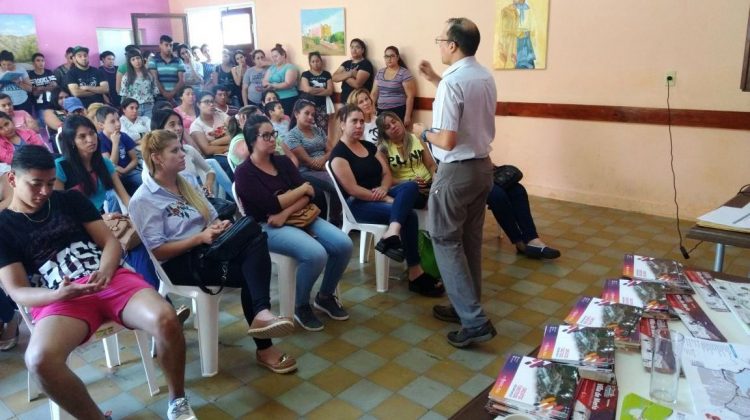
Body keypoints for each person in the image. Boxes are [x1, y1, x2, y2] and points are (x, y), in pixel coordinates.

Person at [0, 145, 196, 419]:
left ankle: (178, 400)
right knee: (39, 360)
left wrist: (105, 271)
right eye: (35, 184)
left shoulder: (69, 200)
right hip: (61, 298)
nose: (45, 192)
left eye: (48, 183)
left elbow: (110, 243)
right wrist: (59, 295)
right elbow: (17, 290)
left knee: (166, 318)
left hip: (110, 278)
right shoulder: (4, 226)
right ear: (12, 179)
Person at [129, 129, 298, 374]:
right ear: (156, 157)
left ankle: (262, 316)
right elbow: (159, 251)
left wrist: (217, 226)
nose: (182, 153)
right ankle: (264, 338)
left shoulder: (185, 184)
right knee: (253, 266)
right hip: (180, 263)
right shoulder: (144, 199)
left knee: (254, 235)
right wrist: (199, 237)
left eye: (181, 147)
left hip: (208, 249)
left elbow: (212, 215)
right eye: (174, 150)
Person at [416, 17, 497, 348]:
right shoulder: (483, 76)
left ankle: (474, 320)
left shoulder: (453, 82)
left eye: (440, 40)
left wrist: (423, 132)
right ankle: (465, 306)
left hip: (456, 173)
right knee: (469, 241)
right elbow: (465, 109)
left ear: (452, 45)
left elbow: (447, 139)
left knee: (445, 241)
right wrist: (436, 79)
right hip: (481, 169)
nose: (438, 46)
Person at [236, 115, 352, 331]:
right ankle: (300, 304)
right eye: (266, 135)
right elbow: (272, 204)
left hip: (298, 215)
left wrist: (286, 210)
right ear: (252, 140)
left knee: (343, 244)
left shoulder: (281, 162)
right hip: (265, 227)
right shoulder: (244, 173)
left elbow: (310, 195)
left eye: (274, 134)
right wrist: (300, 191)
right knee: (316, 253)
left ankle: (325, 296)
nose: (273, 139)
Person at [329, 105, 444, 297]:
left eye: (361, 121)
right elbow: (353, 189)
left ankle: (392, 232)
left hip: (381, 194)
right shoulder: (339, 155)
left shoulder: (368, 146)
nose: (359, 126)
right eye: (353, 121)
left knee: (410, 186)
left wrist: (384, 188)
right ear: (342, 124)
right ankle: (415, 273)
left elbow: (386, 174)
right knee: (408, 215)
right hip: (359, 205)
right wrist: (386, 199)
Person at [284, 99, 339, 221]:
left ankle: (343, 215)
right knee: (337, 183)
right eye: (307, 113)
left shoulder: (318, 130)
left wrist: (325, 161)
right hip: (307, 172)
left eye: (313, 114)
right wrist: (329, 167)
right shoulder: (292, 136)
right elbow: (309, 162)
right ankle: (334, 219)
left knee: (346, 177)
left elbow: (331, 150)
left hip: (326, 166)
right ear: (297, 114)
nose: (310, 117)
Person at [375, 111, 436, 209]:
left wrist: (435, 183)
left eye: (394, 122)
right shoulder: (382, 149)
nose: (393, 126)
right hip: (406, 188)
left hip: (429, 183)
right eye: (387, 127)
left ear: (399, 121)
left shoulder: (416, 138)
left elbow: (431, 165)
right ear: (384, 133)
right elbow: (386, 178)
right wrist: (409, 181)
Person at [151, 109, 219, 195]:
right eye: (172, 125)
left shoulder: (188, 150)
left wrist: (208, 184)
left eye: (179, 124)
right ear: (159, 130)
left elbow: (209, 170)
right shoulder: (155, 159)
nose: (179, 128)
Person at [487, 183, 561, 259]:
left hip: (488, 177)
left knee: (517, 190)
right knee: (497, 195)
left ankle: (532, 239)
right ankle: (519, 243)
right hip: (476, 181)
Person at [95, 106, 142, 195]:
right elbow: (110, 164)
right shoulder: (99, 140)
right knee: (113, 196)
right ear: (101, 125)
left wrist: (125, 170)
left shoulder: (123, 136)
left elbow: (134, 160)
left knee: (144, 182)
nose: (118, 124)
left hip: (129, 171)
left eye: (118, 119)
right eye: (112, 122)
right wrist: (115, 144)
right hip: (113, 175)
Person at [189, 90, 233, 181]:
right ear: (198, 104)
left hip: (229, 149)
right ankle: (233, 193)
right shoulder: (196, 126)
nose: (211, 104)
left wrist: (213, 142)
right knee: (231, 163)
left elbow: (234, 132)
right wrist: (229, 147)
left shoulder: (220, 114)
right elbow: (207, 150)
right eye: (206, 102)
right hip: (214, 157)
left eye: (212, 101)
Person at [371, 46, 416, 126]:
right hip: (381, 111)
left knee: (396, 136)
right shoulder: (380, 72)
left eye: (392, 56)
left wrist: (407, 116)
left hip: (398, 111)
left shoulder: (404, 73)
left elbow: (410, 96)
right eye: (386, 56)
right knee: (383, 136)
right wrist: (372, 108)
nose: (389, 59)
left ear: (397, 57)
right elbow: (374, 93)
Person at [299, 51, 334, 133]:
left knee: (323, 129)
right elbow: (307, 90)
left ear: (321, 61)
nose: (315, 63)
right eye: (313, 61)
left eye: (317, 61)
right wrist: (322, 89)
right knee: (309, 128)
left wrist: (313, 90)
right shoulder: (305, 74)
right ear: (310, 63)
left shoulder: (326, 74)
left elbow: (329, 91)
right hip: (309, 106)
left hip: (322, 106)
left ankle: (322, 145)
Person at [332, 38, 374, 104]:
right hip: (344, 100)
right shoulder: (346, 63)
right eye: (352, 47)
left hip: (359, 102)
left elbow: (357, 84)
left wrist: (343, 75)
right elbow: (334, 77)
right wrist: (350, 73)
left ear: (362, 50)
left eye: (357, 47)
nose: (354, 50)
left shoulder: (366, 64)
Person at [262, 44, 299, 116]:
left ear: (283, 55)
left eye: (276, 56)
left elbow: (288, 84)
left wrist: (272, 85)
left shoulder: (290, 67)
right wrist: (266, 85)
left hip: (288, 98)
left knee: (287, 120)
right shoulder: (272, 68)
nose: (274, 59)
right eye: (272, 57)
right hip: (274, 100)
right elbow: (264, 81)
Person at [120, 49, 159, 117]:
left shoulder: (149, 74)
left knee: (149, 126)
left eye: (138, 58)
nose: (137, 61)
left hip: (149, 106)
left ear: (142, 59)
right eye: (133, 59)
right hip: (133, 108)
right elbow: (124, 95)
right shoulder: (126, 76)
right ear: (130, 62)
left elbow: (155, 91)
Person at [148, 35, 185, 104]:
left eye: (171, 45)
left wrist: (171, 94)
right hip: (159, 97)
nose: (169, 48)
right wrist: (165, 93)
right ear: (160, 45)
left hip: (176, 97)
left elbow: (181, 81)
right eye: (166, 45)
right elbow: (155, 79)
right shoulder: (153, 60)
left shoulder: (179, 61)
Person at [27, 53, 58, 120]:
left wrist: (40, 88)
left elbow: (55, 86)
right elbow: (34, 93)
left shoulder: (49, 72)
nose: (41, 63)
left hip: (53, 104)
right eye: (38, 60)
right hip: (40, 106)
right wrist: (47, 87)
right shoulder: (30, 75)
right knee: (44, 125)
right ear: (33, 63)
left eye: (42, 60)